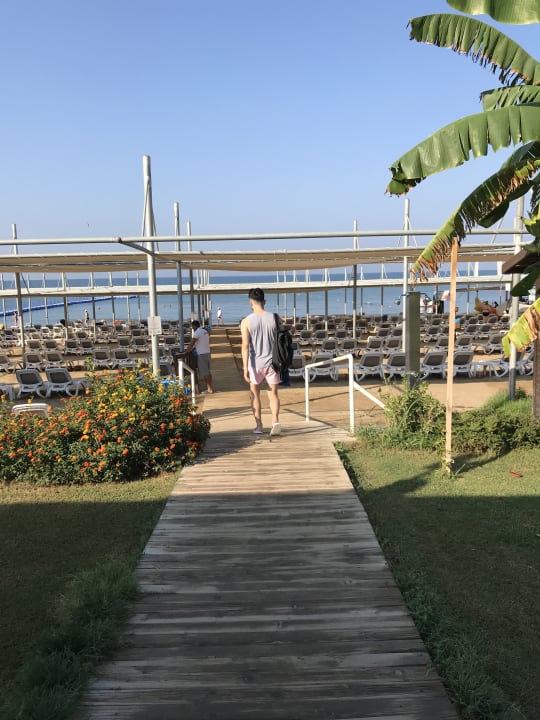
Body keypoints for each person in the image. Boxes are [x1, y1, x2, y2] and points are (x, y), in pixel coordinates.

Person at [240, 288, 281, 436]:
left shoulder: (246, 321)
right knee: (273, 394)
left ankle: (259, 426)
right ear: (264, 301)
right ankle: (275, 421)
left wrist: (245, 368)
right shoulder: (275, 318)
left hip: (255, 363)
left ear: (250, 302)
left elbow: (245, 346)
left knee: (255, 395)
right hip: (273, 362)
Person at [184, 320, 214, 394]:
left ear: (194, 326)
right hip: (207, 352)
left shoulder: (197, 332)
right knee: (208, 371)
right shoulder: (205, 331)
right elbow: (200, 342)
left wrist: (186, 351)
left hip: (201, 354)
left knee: (205, 372)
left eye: (192, 327)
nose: (192, 328)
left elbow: (192, 343)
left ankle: (209, 389)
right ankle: (210, 388)